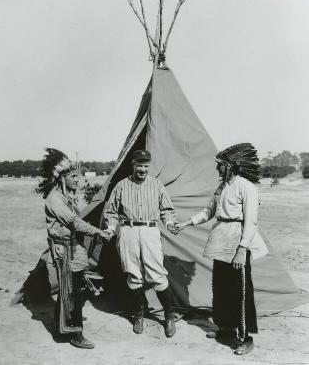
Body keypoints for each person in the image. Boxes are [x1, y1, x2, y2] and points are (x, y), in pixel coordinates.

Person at [174, 143, 268, 355]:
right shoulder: (222, 186)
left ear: (232, 166)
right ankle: (226, 329)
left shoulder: (247, 187)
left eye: (222, 165)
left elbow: (251, 222)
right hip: (220, 240)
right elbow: (209, 211)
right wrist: (185, 223)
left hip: (237, 240)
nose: (218, 168)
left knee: (241, 291)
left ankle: (245, 338)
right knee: (222, 287)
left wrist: (242, 249)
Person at [36, 148, 110, 349]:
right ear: (62, 178)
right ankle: (76, 333)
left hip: (71, 248)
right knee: (73, 292)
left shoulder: (66, 196)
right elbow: (76, 223)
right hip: (64, 250)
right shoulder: (55, 200)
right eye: (73, 176)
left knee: (70, 290)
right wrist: (99, 232)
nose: (77, 180)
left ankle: (62, 330)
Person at [103, 150, 177, 337]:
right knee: (133, 274)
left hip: (150, 230)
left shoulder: (157, 185)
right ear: (133, 165)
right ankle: (139, 315)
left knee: (157, 274)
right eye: (139, 165)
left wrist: (169, 222)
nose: (143, 169)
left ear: (149, 166)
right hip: (127, 230)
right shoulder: (121, 185)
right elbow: (111, 211)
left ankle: (169, 316)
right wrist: (111, 229)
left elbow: (167, 209)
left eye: (146, 166)